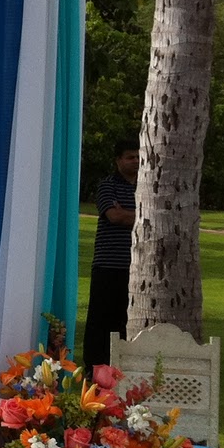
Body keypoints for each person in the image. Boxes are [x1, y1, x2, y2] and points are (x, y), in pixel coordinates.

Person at [82, 137, 139, 372]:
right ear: (118, 161)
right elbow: (114, 216)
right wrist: (142, 215)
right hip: (107, 263)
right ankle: (94, 366)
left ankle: (119, 365)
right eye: (130, 157)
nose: (135, 161)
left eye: (138, 157)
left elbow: (124, 215)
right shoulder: (107, 185)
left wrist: (127, 213)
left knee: (125, 318)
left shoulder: (146, 187)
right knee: (100, 318)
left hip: (135, 266)